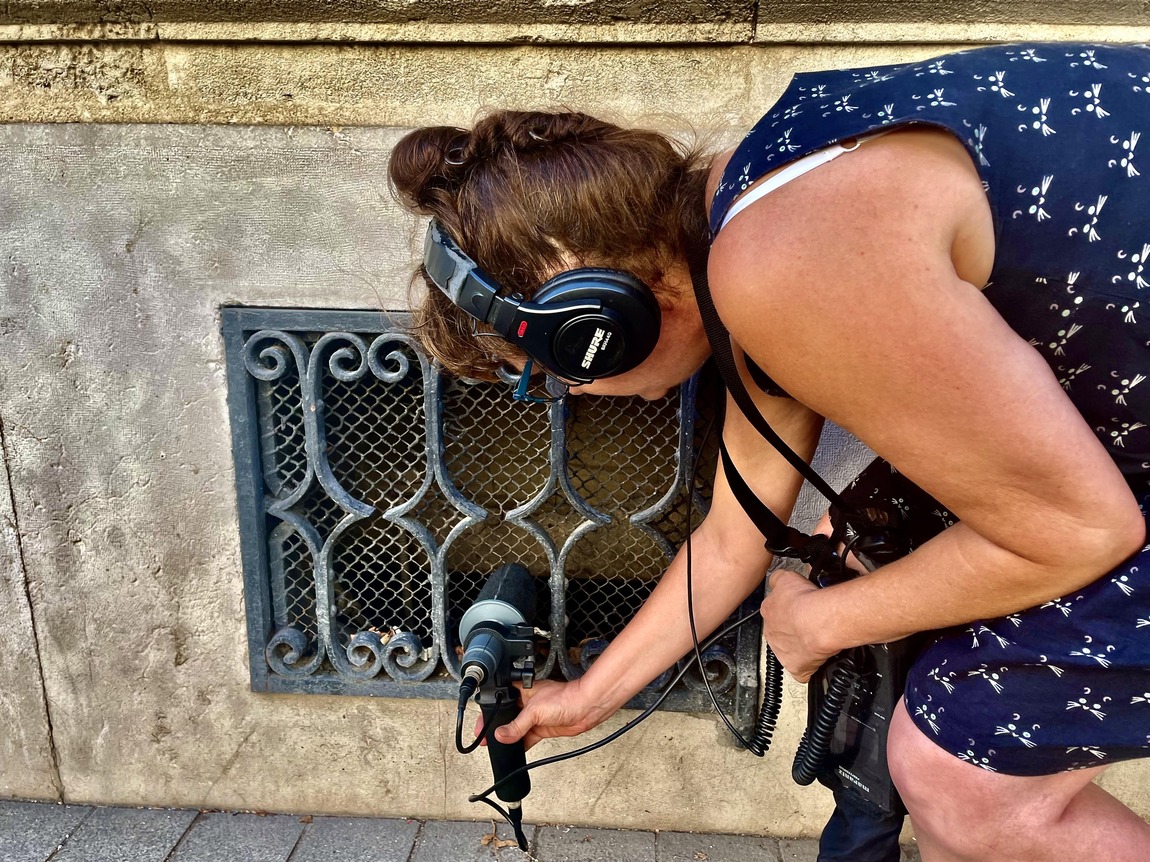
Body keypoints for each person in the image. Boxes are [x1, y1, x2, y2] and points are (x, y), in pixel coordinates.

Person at [389, 41, 1150, 862]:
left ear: (594, 329)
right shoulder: (754, 220)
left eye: (549, 378)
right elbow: (732, 537)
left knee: (957, 782)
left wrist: (822, 622)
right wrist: (585, 699)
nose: (571, 397)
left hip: (1103, 502)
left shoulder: (783, 261)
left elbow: (1075, 533)